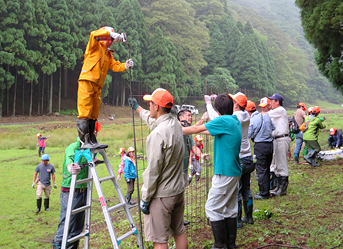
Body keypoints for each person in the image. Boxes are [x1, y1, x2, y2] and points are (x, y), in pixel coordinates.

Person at [128, 88, 188, 249]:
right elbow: (155, 121)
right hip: (178, 190)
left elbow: (153, 171)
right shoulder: (175, 124)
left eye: (150, 103)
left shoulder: (156, 135)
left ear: (157, 107)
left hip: (162, 195)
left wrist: (146, 198)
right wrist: (138, 109)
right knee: (179, 232)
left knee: (160, 240)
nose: (148, 106)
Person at [182, 93, 241, 249]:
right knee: (229, 208)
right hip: (234, 171)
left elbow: (195, 128)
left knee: (212, 207)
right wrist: (195, 130)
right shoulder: (233, 120)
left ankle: (219, 245)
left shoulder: (223, 121)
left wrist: (177, 128)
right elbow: (207, 130)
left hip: (225, 172)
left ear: (217, 109)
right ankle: (230, 244)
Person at [77, 26, 134, 150]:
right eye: (109, 38)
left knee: (94, 112)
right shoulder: (94, 46)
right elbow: (93, 34)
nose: (111, 41)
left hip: (98, 84)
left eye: (112, 39)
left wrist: (125, 65)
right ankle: (83, 141)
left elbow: (114, 66)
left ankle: (92, 139)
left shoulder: (108, 54)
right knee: (85, 110)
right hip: (87, 80)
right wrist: (110, 34)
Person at [206, 92, 254, 228]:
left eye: (233, 101)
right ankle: (248, 217)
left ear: (236, 105)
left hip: (236, 158)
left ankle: (237, 221)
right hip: (247, 156)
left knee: (234, 192)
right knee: (246, 188)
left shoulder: (234, 117)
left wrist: (210, 104)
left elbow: (216, 119)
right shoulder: (244, 115)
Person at [52, 137, 100, 249]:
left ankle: (72, 246)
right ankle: (58, 245)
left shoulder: (89, 148)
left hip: (84, 190)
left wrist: (93, 162)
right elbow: (69, 159)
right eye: (93, 130)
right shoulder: (73, 147)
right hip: (70, 191)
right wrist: (70, 166)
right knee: (66, 223)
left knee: (78, 224)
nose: (96, 133)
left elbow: (87, 163)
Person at [247, 99, 275, 200]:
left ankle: (263, 193)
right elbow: (273, 127)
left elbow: (249, 135)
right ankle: (267, 190)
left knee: (261, 169)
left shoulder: (252, 120)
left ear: (248, 112)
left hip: (260, 146)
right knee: (267, 168)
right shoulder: (266, 116)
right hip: (270, 145)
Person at [267, 93, 290, 197]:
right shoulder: (276, 112)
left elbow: (266, 115)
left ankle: (283, 187)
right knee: (276, 162)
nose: (270, 102)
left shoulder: (280, 110)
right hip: (276, 139)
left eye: (272, 101)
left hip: (281, 138)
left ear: (277, 102)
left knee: (281, 162)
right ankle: (278, 186)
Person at [177, 109, 205, 187]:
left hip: (184, 169)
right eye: (188, 115)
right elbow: (194, 128)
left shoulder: (188, 132)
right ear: (181, 118)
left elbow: (194, 147)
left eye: (191, 116)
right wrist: (202, 120)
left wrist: (201, 155)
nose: (191, 117)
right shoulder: (177, 128)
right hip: (175, 170)